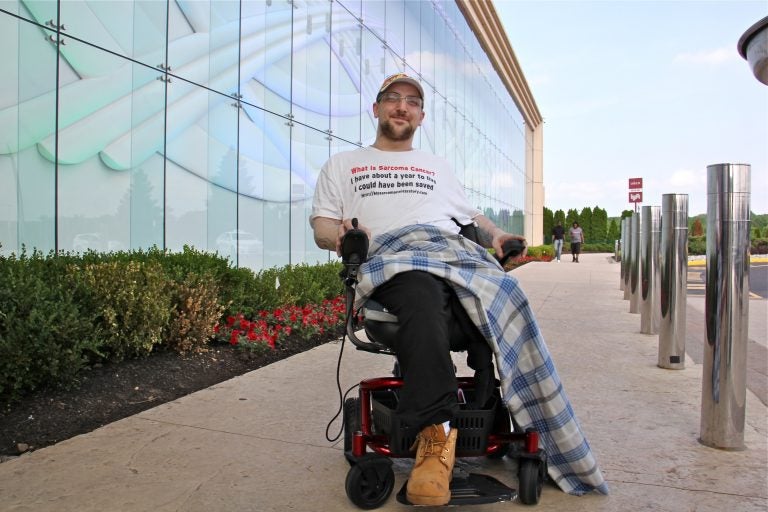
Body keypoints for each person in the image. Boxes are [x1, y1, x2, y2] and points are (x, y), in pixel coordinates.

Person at [311, 73, 607, 505]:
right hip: (394, 261)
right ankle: (438, 438)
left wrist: (499, 238)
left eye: (411, 101)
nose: (401, 106)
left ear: (421, 116)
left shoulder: (436, 167)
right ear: (375, 109)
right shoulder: (343, 163)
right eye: (392, 99)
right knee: (420, 290)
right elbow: (322, 224)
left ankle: (521, 413)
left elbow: (472, 219)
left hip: (451, 258)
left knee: (503, 294)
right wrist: (339, 235)